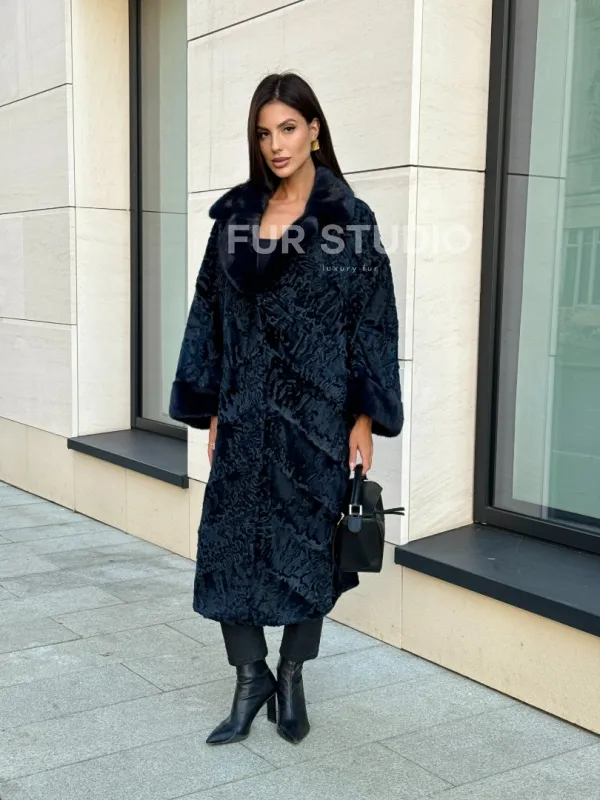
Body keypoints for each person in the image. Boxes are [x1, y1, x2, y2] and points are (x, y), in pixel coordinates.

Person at [169, 71, 404, 746]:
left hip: (318, 421)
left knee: (310, 550)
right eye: (264, 132)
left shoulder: (350, 220)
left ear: (314, 131)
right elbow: (208, 313)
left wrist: (364, 417)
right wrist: (212, 404)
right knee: (227, 548)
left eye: (289, 128)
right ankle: (251, 678)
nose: (276, 144)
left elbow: (372, 321)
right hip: (244, 415)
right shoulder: (235, 221)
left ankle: (293, 675)